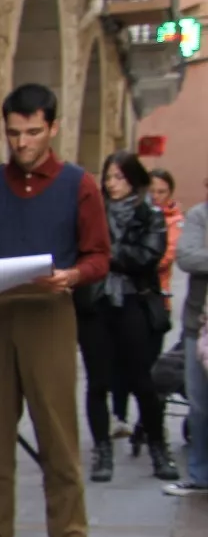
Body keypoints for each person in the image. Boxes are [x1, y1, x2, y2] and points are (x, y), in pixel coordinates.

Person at [0, 83, 112, 537]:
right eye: (14, 133)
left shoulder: (79, 185)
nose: (22, 143)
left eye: (33, 132)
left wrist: (71, 277)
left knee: (59, 438)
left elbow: (99, 256)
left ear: (53, 128)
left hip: (49, 314)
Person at [77, 152, 173, 482]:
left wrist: (102, 254)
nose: (111, 184)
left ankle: (158, 446)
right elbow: (79, 251)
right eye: (108, 177)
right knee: (97, 382)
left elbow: (146, 256)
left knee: (141, 380)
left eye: (118, 177)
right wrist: (102, 257)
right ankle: (102, 450)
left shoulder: (150, 214)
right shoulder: (90, 213)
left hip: (133, 301)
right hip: (95, 302)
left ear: (133, 179)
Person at [113, 168, 184, 447]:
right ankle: (119, 417)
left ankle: (149, 424)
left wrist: (123, 255)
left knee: (147, 369)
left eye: (161, 192)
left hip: (154, 301)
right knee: (119, 364)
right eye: (151, 190)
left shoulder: (173, 222)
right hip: (121, 299)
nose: (155, 197)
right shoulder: (126, 215)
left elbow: (163, 256)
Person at [167, 184, 208, 496]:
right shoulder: (199, 216)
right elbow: (188, 258)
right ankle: (199, 474)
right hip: (201, 325)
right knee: (199, 404)